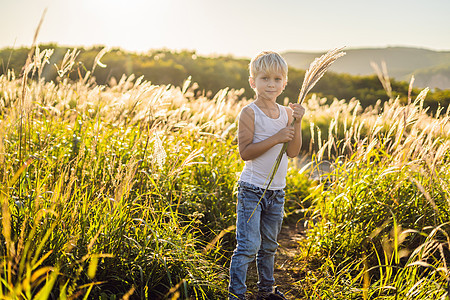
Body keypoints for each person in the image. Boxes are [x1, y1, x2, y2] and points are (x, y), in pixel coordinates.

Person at [228, 51, 305, 300]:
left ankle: (267, 291)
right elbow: (245, 152)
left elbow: (292, 152)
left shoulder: (287, 113)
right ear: (253, 82)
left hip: (276, 192)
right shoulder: (249, 113)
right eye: (264, 78)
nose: (270, 84)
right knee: (249, 246)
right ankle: (236, 294)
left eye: (276, 79)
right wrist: (276, 137)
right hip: (252, 190)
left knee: (270, 246)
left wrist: (298, 122)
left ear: (284, 83)